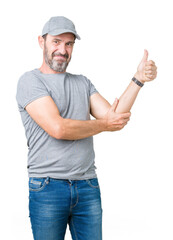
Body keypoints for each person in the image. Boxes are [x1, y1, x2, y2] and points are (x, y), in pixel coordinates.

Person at [15, 16, 157, 240]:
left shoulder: (82, 83)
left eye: (69, 43)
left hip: (87, 185)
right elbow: (59, 128)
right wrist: (104, 125)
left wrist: (138, 80)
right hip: (47, 187)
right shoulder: (30, 81)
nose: (62, 49)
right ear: (41, 42)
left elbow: (114, 117)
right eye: (56, 42)